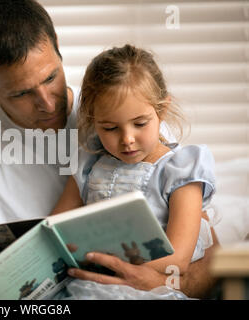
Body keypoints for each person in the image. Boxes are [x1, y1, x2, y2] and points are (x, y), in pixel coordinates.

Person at [0, 0, 219, 299]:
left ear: (57, 47)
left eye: (50, 77)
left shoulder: (121, 107)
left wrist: (151, 282)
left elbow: (204, 260)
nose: (48, 104)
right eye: (23, 93)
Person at [51, 44, 216, 292]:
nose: (127, 139)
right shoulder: (88, 165)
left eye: (139, 123)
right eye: (110, 128)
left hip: (150, 287)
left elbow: (178, 259)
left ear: (162, 109)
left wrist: (110, 263)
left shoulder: (181, 170)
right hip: (90, 284)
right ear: (93, 120)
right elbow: (53, 229)